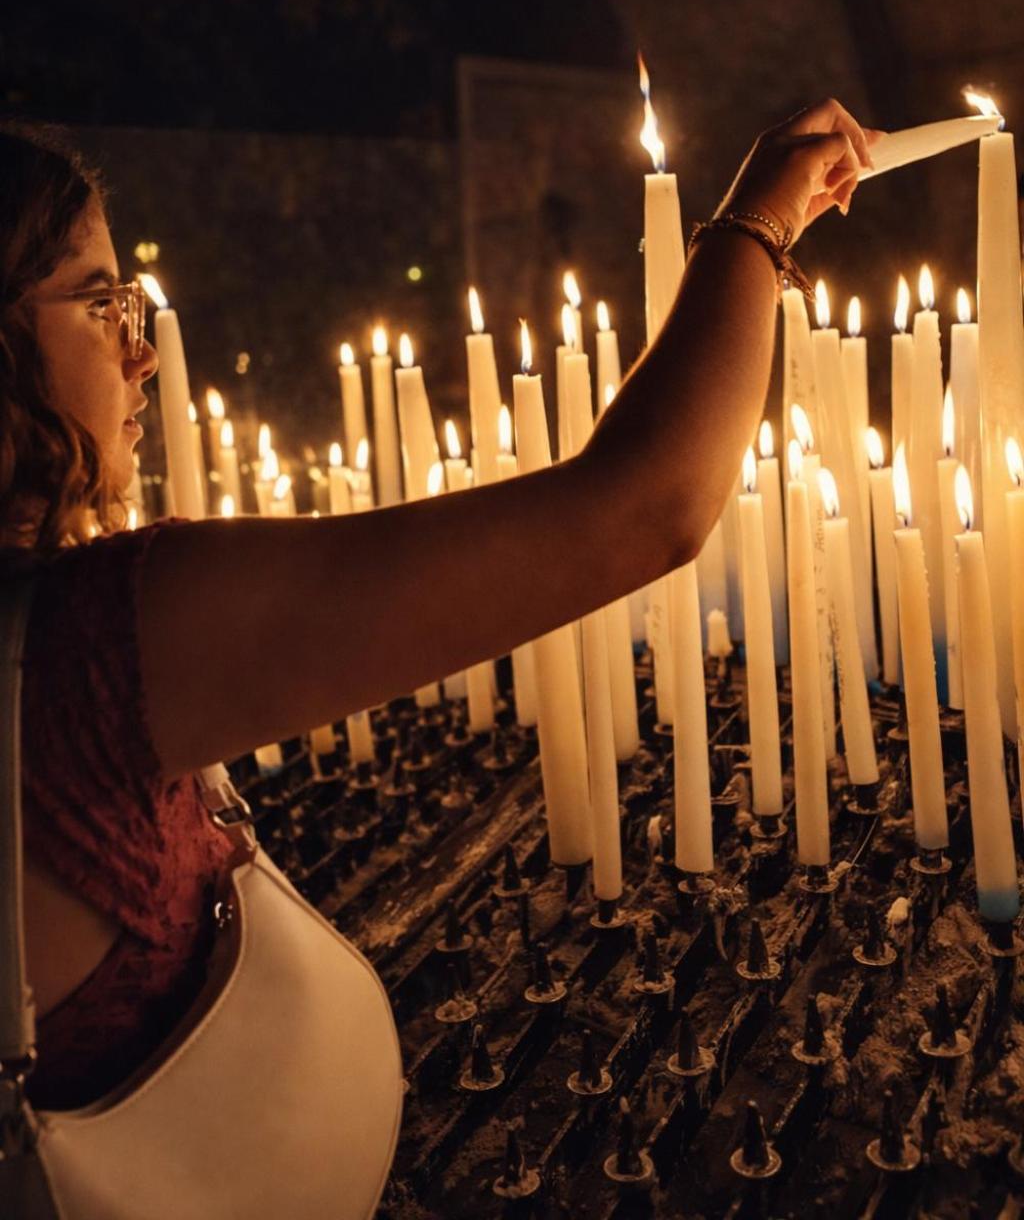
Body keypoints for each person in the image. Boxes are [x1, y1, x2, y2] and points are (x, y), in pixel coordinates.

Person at [1, 99, 871, 1114]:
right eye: (100, 305)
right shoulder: (86, 648)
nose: (141, 352)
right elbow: (643, 510)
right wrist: (755, 226)